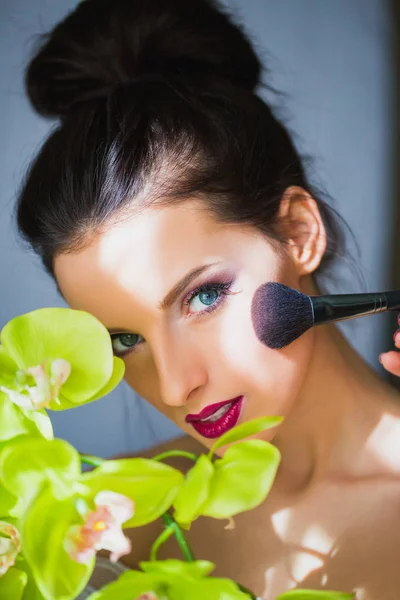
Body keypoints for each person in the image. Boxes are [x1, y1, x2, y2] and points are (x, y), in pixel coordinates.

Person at [15, 0, 400, 598]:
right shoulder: (110, 523)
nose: (173, 387)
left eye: (203, 296)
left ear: (299, 233)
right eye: (124, 340)